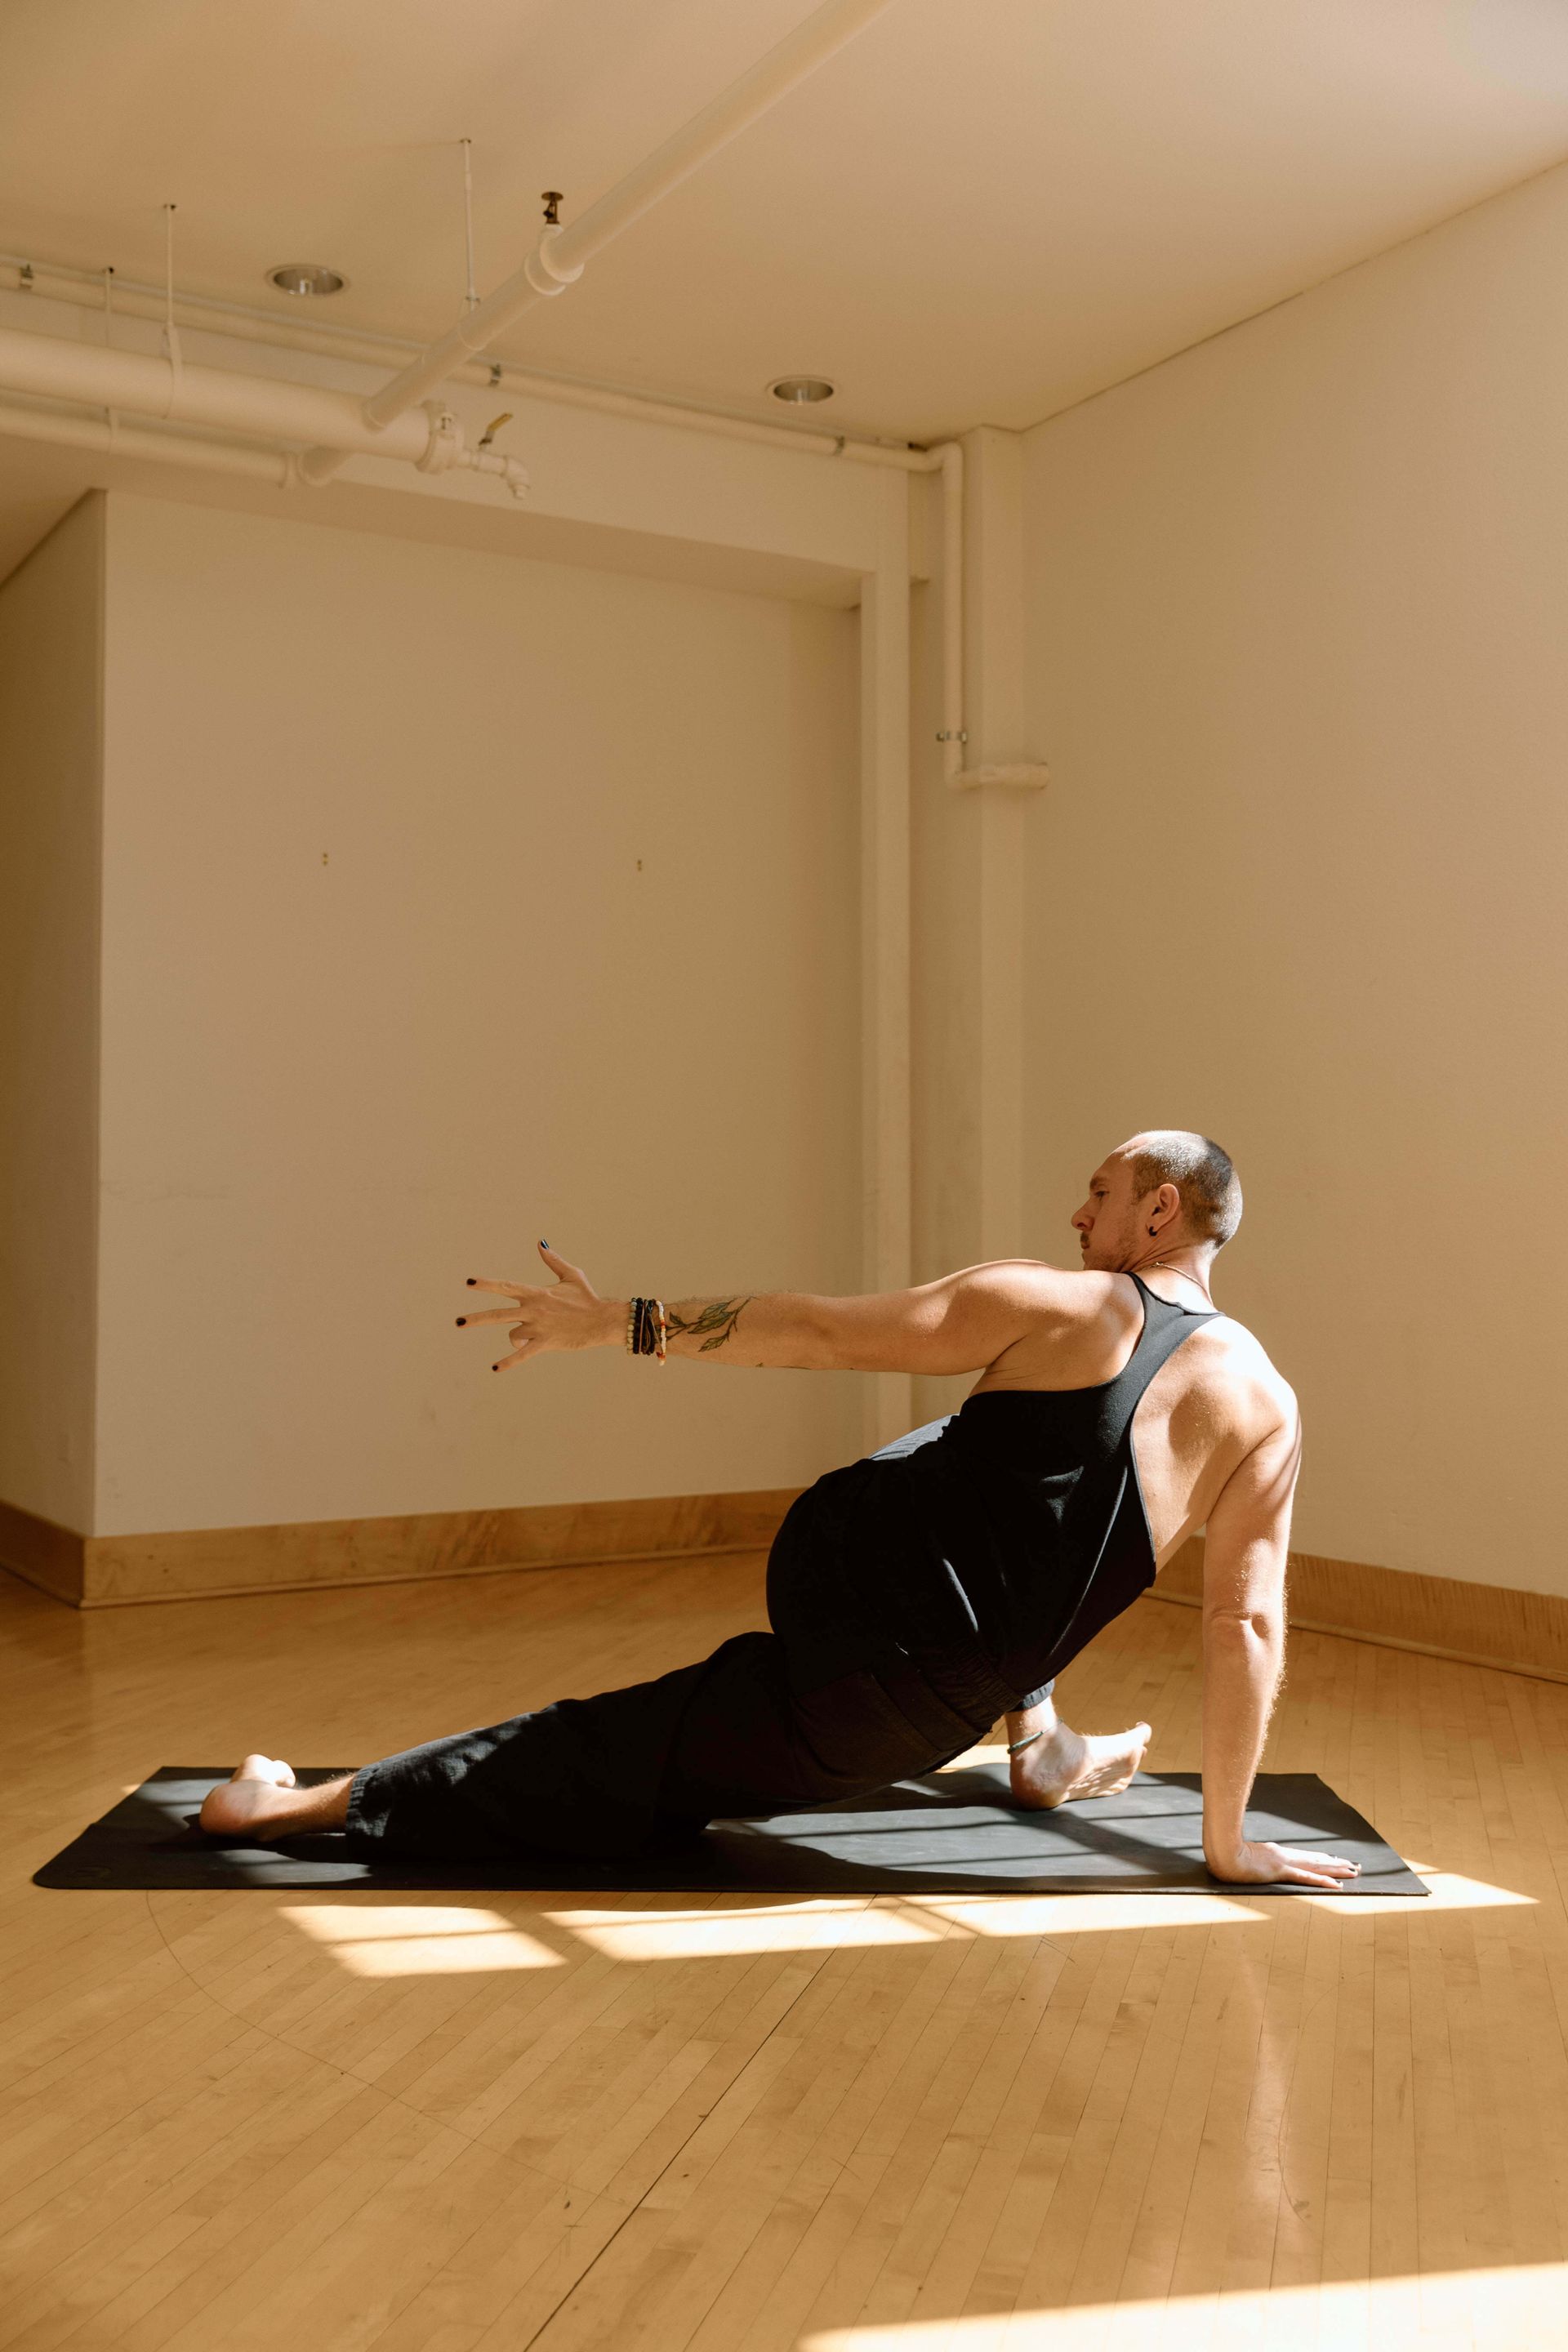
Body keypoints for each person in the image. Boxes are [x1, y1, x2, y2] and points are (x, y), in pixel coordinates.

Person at [201, 1130, 1359, 1891]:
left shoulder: (1053, 1304)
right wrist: (1227, 1840)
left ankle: (282, 1811)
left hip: (853, 1607)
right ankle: (1037, 1738)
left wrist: (618, 1323)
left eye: (1100, 1195)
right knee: (1019, 1490)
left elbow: (819, 1331)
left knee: (608, 1752)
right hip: (933, 1707)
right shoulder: (1269, 1406)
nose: (1078, 1215)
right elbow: (1244, 1623)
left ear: (1160, 1211)